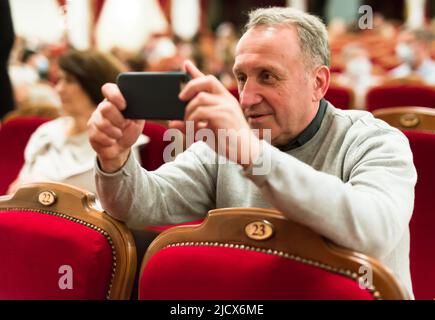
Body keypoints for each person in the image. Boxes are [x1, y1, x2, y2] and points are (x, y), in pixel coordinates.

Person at [88, 7, 417, 297]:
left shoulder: (374, 140)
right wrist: (116, 159)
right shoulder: (226, 144)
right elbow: (140, 206)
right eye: (242, 78)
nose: (246, 98)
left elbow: (372, 232)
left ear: (318, 83)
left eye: (268, 77)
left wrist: (253, 154)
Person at [9, 49, 148, 195]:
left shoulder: (120, 141)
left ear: (93, 84)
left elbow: (124, 202)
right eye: (59, 80)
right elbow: (15, 189)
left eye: (69, 81)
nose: (59, 88)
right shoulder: (46, 132)